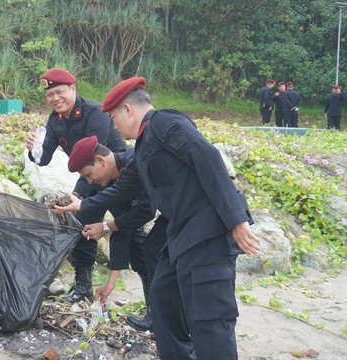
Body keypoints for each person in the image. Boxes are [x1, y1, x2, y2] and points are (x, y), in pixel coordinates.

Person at [57, 77, 260, 359]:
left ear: (127, 110)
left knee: (208, 319)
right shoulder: (142, 146)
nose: (113, 126)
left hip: (209, 230)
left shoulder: (165, 124)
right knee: (163, 297)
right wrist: (83, 206)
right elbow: (125, 189)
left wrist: (236, 221)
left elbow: (209, 159)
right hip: (181, 232)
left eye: (114, 117)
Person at [25, 68, 128, 303]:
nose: (55, 99)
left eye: (60, 92)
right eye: (50, 95)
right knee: (82, 226)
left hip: (116, 174)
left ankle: (151, 299)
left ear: (73, 88)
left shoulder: (96, 113)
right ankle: (83, 287)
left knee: (131, 227)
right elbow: (45, 159)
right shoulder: (55, 120)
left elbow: (96, 161)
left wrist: (78, 196)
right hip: (90, 177)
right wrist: (34, 150)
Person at [65, 136, 154, 330]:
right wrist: (109, 284)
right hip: (138, 217)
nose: (91, 181)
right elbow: (123, 227)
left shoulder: (134, 164)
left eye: (89, 174)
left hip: (186, 209)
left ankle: (161, 315)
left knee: (153, 254)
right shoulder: (108, 179)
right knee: (140, 253)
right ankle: (154, 316)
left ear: (100, 160)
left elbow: (145, 211)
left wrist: (105, 227)